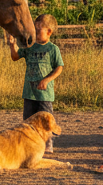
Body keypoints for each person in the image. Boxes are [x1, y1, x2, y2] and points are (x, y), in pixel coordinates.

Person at [7, 13, 64, 153]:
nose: (34, 32)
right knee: (28, 119)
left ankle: (48, 143)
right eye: (34, 29)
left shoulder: (52, 49)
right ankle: (28, 142)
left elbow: (59, 68)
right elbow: (15, 57)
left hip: (45, 93)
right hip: (29, 91)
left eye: (38, 30)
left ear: (49, 32)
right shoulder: (30, 47)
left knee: (46, 119)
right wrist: (12, 45)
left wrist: (47, 80)